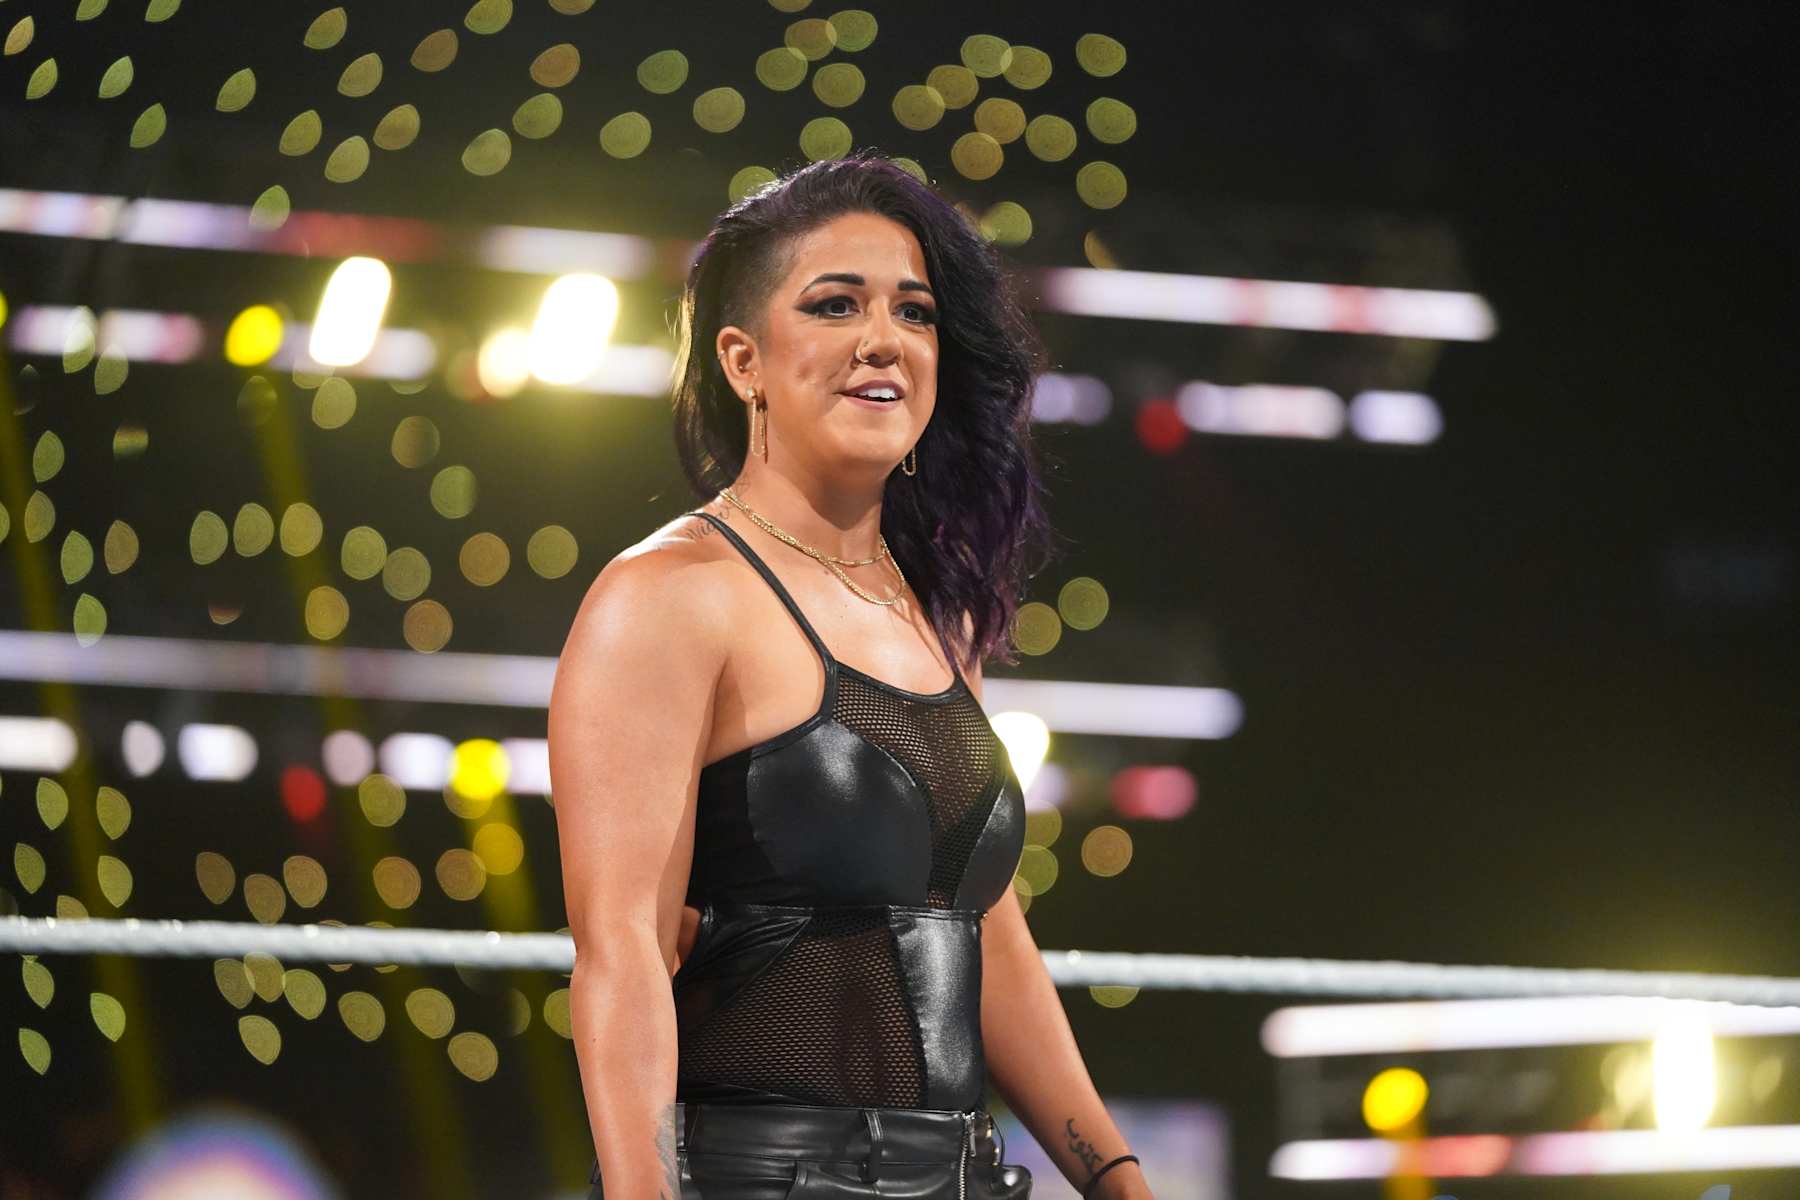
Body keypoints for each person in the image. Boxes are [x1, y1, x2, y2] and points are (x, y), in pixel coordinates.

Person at [548, 151, 1153, 1200]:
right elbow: (622, 955)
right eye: (835, 305)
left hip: (957, 1177)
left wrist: (1114, 1177)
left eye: (913, 313)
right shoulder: (670, 595)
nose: (884, 338)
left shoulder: (929, 615)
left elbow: (987, 934)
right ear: (744, 361)